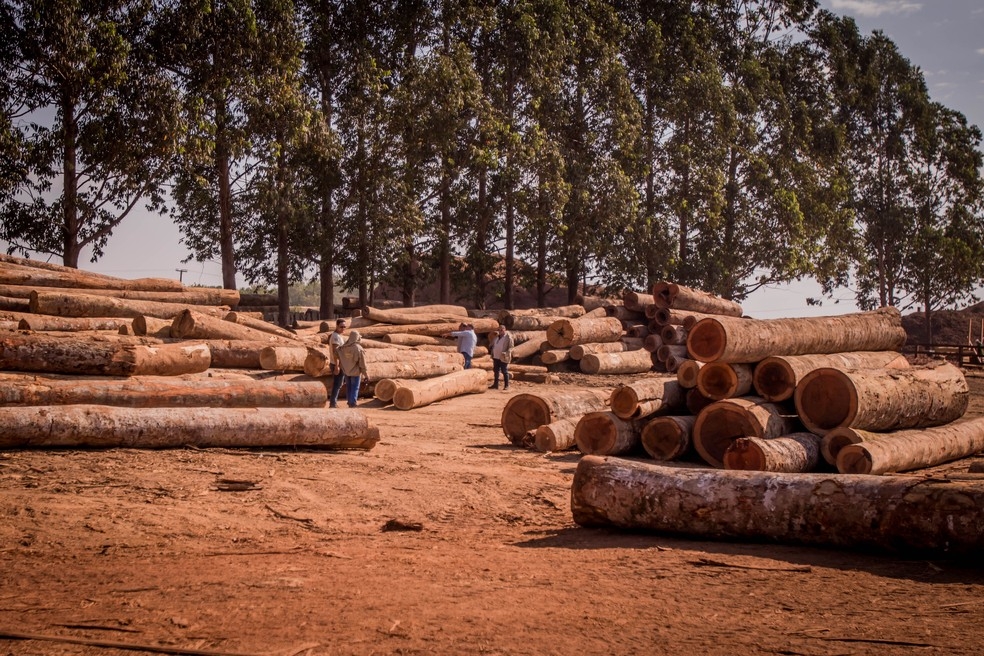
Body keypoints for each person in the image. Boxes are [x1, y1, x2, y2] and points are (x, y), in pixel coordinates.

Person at [336, 330, 369, 408]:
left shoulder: (343, 348)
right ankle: (352, 403)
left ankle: (349, 401)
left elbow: (337, 353)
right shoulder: (358, 349)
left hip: (346, 372)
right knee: (355, 387)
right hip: (355, 372)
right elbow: (362, 364)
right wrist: (366, 375)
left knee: (349, 387)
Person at [327, 318, 348, 408]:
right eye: (341, 327)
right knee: (337, 384)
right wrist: (337, 366)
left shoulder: (338, 336)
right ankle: (333, 403)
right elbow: (336, 352)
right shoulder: (335, 337)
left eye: (344, 327)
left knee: (338, 384)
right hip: (337, 364)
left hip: (339, 364)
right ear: (337, 326)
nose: (343, 328)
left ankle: (333, 402)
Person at [489, 324, 515, 390]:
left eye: (502, 330)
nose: (500, 331)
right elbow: (493, 344)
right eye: (499, 330)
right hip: (496, 356)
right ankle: (495, 385)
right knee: (496, 371)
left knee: (504, 371)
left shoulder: (508, 337)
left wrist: (506, 353)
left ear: (505, 330)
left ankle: (506, 385)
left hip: (503, 357)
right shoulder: (497, 337)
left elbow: (511, 347)